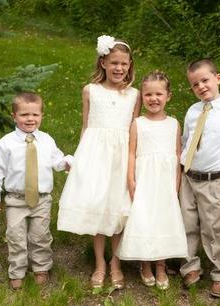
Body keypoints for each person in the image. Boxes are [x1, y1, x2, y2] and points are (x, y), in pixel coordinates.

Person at [57, 35, 141, 290]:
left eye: (124, 64)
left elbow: (134, 130)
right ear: (103, 62)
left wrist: (133, 163)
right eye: (114, 62)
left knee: (118, 207)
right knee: (98, 206)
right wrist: (81, 160)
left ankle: (115, 263)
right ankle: (99, 263)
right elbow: (86, 127)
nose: (119, 68)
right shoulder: (90, 91)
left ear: (129, 66)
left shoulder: (134, 94)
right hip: (96, 155)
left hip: (121, 156)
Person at [0, 92, 73, 290]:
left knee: (40, 235)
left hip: (41, 199)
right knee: (15, 237)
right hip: (16, 199)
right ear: (14, 116)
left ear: (42, 116)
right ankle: (17, 270)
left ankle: (41, 267)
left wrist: (66, 163)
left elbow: (56, 161)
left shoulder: (46, 140)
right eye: (24, 115)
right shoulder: (6, 143)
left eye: (35, 115)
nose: (30, 119)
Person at [179, 58, 220, 297]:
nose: (201, 87)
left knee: (213, 228)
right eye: (195, 84)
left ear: (218, 78)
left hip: (212, 181)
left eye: (205, 80)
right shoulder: (193, 111)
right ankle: (190, 266)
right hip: (187, 176)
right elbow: (186, 142)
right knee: (187, 224)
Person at [117, 71, 188, 290]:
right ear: (142, 97)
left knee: (163, 219)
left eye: (159, 94)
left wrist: (176, 183)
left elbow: (178, 155)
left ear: (168, 96)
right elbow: (131, 153)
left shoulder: (174, 124)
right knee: (145, 218)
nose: (153, 99)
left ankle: (161, 264)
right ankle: (145, 263)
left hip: (165, 181)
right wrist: (131, 180)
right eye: (148, 94)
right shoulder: (138, 123)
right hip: (145, 179)